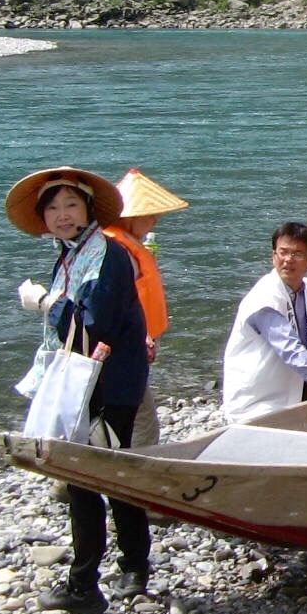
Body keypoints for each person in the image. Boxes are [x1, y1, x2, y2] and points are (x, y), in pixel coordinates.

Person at [7, 167, 152, 614]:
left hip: (105, 384)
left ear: (89, 209)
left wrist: (45, 302)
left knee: (86, 478)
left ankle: (86, 585)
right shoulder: (75, 254)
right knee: (111, 473)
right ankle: (131, 567)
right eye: (53, 208)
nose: (62, 214)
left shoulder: (104, 255)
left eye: (71, 205)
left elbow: (93, 326)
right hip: (104, 381)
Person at [221, 222, 307, 423]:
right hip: (258, 400)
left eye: (297, 254)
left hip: (294, 389)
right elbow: (290, 350)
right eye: (283, 252)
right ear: (274, 256)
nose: (288, 259)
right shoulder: (264, 297)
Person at [104, 169, 189, 447]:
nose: (155, 221)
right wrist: (142, 336)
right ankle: (137, 468)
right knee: (144, 423)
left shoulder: (121, 245)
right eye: (150, 215)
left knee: (125, 415)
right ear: (131, 217)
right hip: (125, 349)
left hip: (126, 347)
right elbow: (117, 300)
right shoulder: (120, 251)